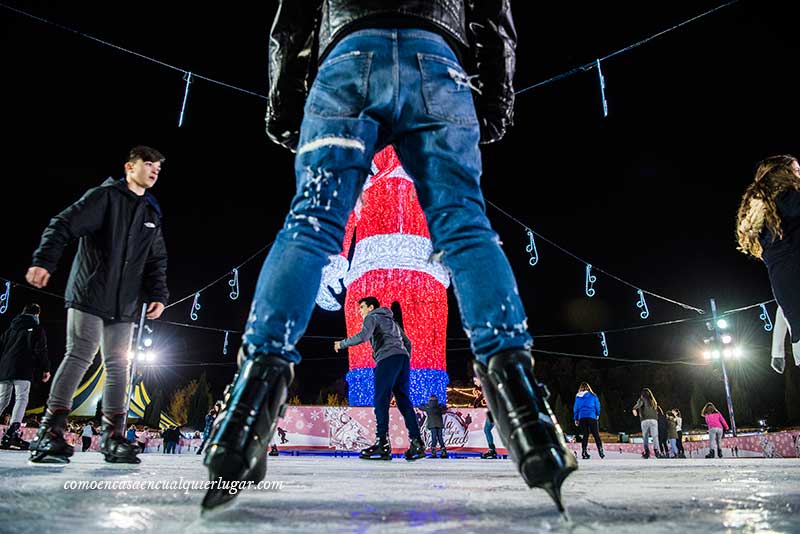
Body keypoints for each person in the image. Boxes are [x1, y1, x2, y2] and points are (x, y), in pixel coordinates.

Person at [202, 0, 576, 514]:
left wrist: (284, 101)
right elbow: (495, 10)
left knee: (310, 224)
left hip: (348, 54)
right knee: (466, 225)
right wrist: (497, 97)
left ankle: (246, 413)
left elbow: (291, 15)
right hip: (436, 57)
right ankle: (525, 411)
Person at [25, 145, 169, 464]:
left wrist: (159, 294)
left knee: (120, 365)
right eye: (148, 164)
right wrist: (44, 261)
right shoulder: (105, 197)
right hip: (90, 291)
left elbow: (156, 259)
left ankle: (114, 438)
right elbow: (63, 223)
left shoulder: (151, 212)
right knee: (80, 353)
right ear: (129, 167)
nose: (155, 169)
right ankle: (49, 432)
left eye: (158, 166)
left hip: (125, 303)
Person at [334, 296, 424, 461]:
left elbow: (363, 336)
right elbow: (408, 342)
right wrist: (402, 358)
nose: (360, 311)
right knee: (404, 402)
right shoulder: (392, 322)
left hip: (387, 360)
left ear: (370, 307)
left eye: (362, 307)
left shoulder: (372, 317)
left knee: (381, 400)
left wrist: (342, 344)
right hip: (402, 360)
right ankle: (417, 443)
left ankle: (382, 443)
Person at [736, 155, 800, 373]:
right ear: (782, 175)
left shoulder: (768, 221)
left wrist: (777, 351)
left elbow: (785, 298)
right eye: (797, 171)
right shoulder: (788, 199)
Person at [0, 303, 51, 450]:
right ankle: (12, 434)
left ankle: (11, 434)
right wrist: (46, 369)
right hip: (23, 368)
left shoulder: (11, 329)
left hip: (5, 369)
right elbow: (41, 349)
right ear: (37, 314)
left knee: (2, 399)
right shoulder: (36, 328)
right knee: (21, 398)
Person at [572, 382, 604, 460]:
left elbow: (576, 409)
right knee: (596, 434)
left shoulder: (578, 397)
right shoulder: (593, 396)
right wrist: (597, 414)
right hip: (592, 416)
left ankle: (584, 451)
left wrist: (576, 419)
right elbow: (597, 406)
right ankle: (600, 450)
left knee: (585, 435)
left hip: (582, 417)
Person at [472, 376, 498, 459]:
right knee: (487, 429)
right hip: (494, 410)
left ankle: (492, 450)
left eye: (475, 381)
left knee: (487, 429)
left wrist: (477, 401)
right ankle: (492, 450)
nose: (475, 383)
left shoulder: (486, 386)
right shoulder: (486, 386)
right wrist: (477, 401)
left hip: (494, 410)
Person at [632, 388, 661, 459]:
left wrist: (634, 409)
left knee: (645, 437)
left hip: (645, 420)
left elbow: (639, 405)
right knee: (655, 436)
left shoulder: (642, 399)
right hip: (654, 420)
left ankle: (647, 452)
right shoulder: (653, 401)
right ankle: (657, 451)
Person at [418, 394, 448, 458]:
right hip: (439, 424)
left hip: (432, 424)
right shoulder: (439, 406)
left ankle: (433, 453)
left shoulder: (428, 407)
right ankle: (443, 452)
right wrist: (441, 405)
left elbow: (420, 407)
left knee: (433, 437)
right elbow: (445, 408)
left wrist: (424, 404)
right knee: (440, 438)